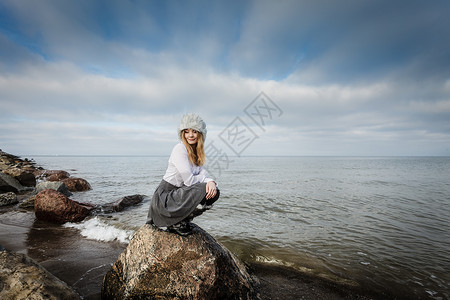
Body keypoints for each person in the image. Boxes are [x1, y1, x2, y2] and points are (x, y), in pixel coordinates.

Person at [146, 113, 220, 236]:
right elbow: (189, 181)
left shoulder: (196, 152)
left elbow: (202, 173)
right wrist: (208, 181)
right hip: (166, 197)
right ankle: (175, 223)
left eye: (194, 131)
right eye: (186, 131)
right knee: (204, 188)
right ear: (182, 134)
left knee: (214, 193)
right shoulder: (179, 149)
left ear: (200, 134)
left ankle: (183, 219)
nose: (190, 135)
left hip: (179, 194)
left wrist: (210, 181)